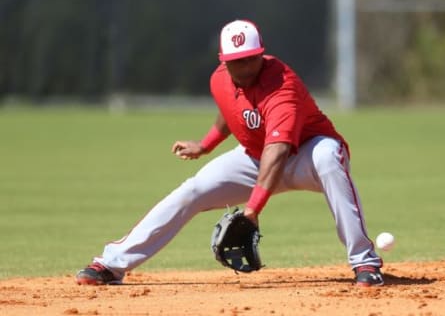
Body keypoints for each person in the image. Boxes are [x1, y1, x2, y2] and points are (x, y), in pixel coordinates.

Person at [76, 19, 384, 287]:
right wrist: (206, 144)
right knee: (193, 190)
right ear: (224, 61)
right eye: (237, 61)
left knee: (329, 158)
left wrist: (252, 211)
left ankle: (364, 261)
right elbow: (231, 111)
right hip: (253, 158)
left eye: (251, 58)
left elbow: (277, 152)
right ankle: (112, 264)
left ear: (261, 54)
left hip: (306, 154)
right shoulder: (220, 80)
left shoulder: (281, 86)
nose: (245, 66)